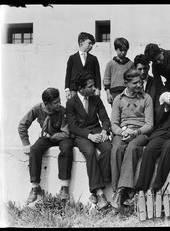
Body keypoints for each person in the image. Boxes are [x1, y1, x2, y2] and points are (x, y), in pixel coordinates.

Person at [18, 88, 74, 204]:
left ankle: (64, 187)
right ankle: (35, 187)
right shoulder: (37, 108)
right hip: (46, 137)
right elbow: (22, 125)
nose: (59, 104)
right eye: (55, 103)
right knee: (34, 149)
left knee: (67, 148)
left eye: (59, 101)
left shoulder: (63, 111)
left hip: (62, 137)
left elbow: (65, 133)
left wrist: (50, 136)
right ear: (46, 103)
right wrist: (26, 144)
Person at [66, 70, 112, 210]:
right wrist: (89, 136)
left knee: (108, 149)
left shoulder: (96, 99)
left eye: (94, 86)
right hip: (82, 135)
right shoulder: (71, 103)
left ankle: (95, 188)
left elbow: (104, 118)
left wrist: (104, 131)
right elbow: (73, 127)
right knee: (90, 153)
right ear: (81, 89)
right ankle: (100, 193)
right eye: (90, 86)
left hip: (98, 132)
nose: (94, 88)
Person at [110, 68, 154, 209]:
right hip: (123, 132)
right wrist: (122, 132)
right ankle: (117, 189)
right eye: (135, 83)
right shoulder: (118, 99)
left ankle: (122, 190)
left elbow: (149, 124)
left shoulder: (146, 98)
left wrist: (135, 133)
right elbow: (114, 124)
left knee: (132, 147)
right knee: (116, 148)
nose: (139, 85)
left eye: (140, 82)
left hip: (140, 133)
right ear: (126, 83)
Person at [65, 32, 101, 100]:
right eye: (89, 43)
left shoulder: (93, 59)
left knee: (90, 108)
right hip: (74, 89)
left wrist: (98, 88)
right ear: (81, 42)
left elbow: (97, 75)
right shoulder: (72, 58)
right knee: (75, 108)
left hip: (89, 89)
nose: (91, 46)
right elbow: (68, 74)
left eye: (92, 44)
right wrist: (67, 89)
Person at [103, 37, 134, 105]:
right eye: (121, 50)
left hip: (127, 92)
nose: (123, 52)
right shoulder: (110, 64)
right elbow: (106, 80)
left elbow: (133, 79)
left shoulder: (130, 64)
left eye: (125, 50)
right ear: (116, 49)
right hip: (114, 93)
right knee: (116, 112)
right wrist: (108, 94)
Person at [133, 54, 160, 129]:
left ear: (149, 67)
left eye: (145, 68)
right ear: (135, 69)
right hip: (135, 123)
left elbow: (158, 109)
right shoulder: (131, 85)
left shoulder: (156, 83)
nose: (143, 72)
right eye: (140, 69)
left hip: (152, 123)